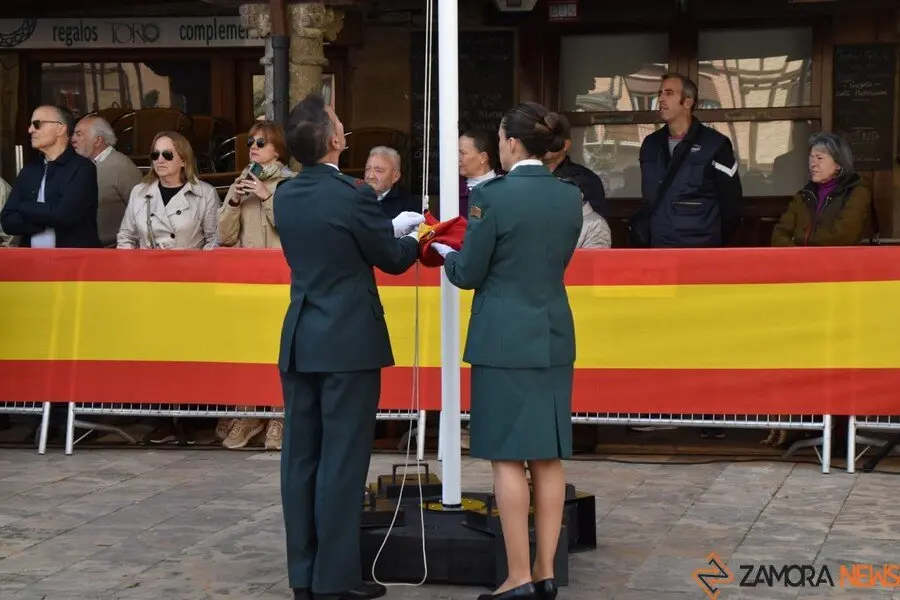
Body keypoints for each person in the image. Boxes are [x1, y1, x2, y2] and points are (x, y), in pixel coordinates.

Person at [430, 102, 583, 600]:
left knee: (507, 459)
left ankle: (518, 575)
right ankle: (546, 572)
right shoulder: (569, 196)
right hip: (552, 333)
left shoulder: (491, 196)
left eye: (499, 139)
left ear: (512, 143)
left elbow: (469, 272)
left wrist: (443, 251)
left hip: (502, 337)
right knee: (548, 457)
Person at [274, 92, 423, 600]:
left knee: (300, 459)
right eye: (339, 122)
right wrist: (418, 236)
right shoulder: (354, 194)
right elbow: (392, 258)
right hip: (348, 340)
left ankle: (303, 574)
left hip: (302, 336)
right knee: (341, 461)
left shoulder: (286, 194)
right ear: (335, 140)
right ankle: (334, 578)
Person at [764, 131, 872, 448]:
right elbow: (778, 235)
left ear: (838, 164)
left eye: (820, 157)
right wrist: (804, 247)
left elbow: (843, 235)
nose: (812, 162)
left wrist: (802, 241)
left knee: (837, 359)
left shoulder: (858, 191)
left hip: (841, 290)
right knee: (804, 356)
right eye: (811, 157)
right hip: (805, 290)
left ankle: (838, 432)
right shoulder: (803, 195)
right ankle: (806, 425)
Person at [217, 120, 296, 451]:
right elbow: (224, 236)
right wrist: (234, 201)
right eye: (250, 141)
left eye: (261, 143)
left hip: (282, 281)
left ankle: (279, 416)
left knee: (278, 350)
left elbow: (292, 229)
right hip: (248, 282)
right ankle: (248, 414)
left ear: (277, 149)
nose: (253, 147)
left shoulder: (291, 183)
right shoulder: (241, 181)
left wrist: (266, 196)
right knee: (248, 348)